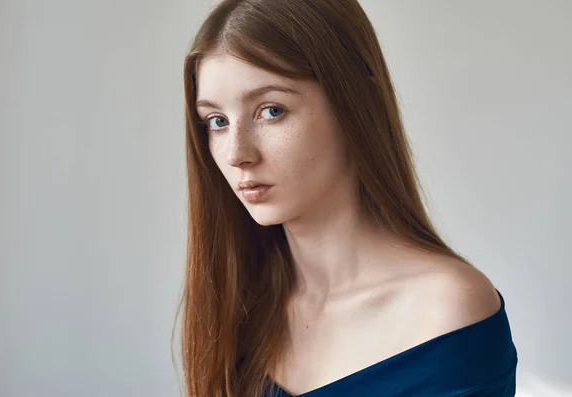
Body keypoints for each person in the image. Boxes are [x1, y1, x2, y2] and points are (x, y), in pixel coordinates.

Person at [174, 0, 518, 396]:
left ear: (355, 102)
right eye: (217, 121)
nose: (237, 153)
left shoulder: (446, 311)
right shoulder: (240, 308)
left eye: (271, 111)